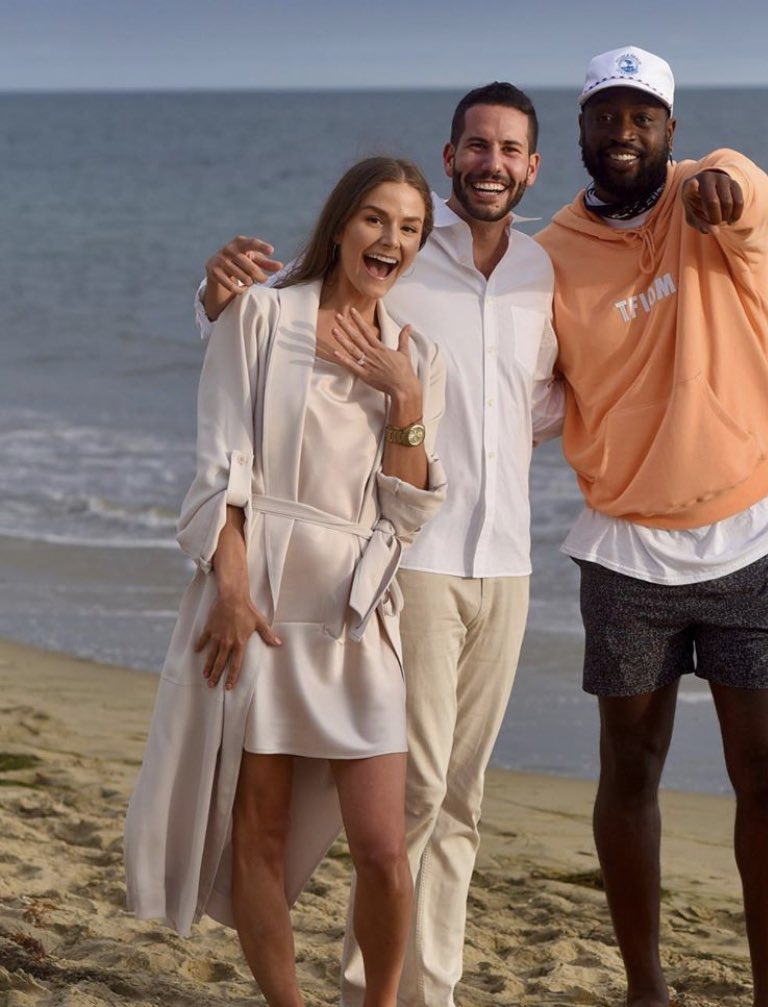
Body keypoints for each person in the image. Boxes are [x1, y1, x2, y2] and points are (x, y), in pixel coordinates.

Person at [194, 83, 559, 1007]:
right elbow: (251, 347)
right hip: (389, 576)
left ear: (532, 166)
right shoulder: (402, 256)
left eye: (510, 149)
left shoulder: (539, 271)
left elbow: (553, 395)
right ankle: (374, 989)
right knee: (406, 801)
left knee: (457, 799)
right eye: (475, 145)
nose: (491, 162)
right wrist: (211, 290)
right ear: (450, 159)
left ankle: (420, 991)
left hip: (503, 556)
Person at [126, 156, 448, 1007]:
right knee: (256, 830)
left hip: (353, 613)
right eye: (376, 219)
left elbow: (405, 509)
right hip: (263, 600)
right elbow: (221, 467)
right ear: (340, 224)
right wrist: (231, 594)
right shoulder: (261, 316)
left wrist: (404, 394)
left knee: (383, 844)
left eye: (410, 228)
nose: (392, 240)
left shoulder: (415, 356)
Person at [536, 46, 768, 1007]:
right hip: (625, 548)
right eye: (604, 117)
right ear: (578, 132)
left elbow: (750, 185)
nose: (622, 133)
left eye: (641, 117)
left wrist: (725, 189)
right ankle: (645, 988)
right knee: (629, 767)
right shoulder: (551, 254)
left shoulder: (712, 196)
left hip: (756, 532)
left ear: (670, 130)